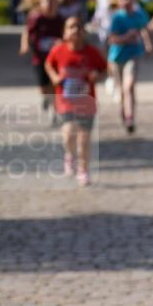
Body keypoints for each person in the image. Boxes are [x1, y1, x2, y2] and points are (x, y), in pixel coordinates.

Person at [44, 16, 107, 186]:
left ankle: (83, 170)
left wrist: (97, 76)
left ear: (84, 32)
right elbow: (48, 64)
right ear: (64, 33)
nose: (75, 30)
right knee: (68, 135)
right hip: (65, 102)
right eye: (71, 27)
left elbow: (104, 70)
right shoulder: (58, 50)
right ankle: (70, 156)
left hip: (86, 102)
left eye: (78, 27)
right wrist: (54, 77)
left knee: (84, 139)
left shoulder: (92, 52)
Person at [107, 0, 152, 134]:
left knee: (129, 86)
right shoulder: (117, 17)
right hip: (117, 56)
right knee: (122, 90)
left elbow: (144, 29)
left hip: (134, 54)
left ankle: (130, 117)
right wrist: (126, 37)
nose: (126, 0)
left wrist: (148, 44)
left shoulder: (139, 15)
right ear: (118, 0)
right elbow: (112, 39)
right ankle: (124, 110)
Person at [21, 0, 64, 119]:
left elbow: (65, 36)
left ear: (57, 3)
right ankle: (45, 97)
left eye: (52, 1)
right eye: (46, 1)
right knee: (43, 87)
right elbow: (27, 32)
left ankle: (53, 111)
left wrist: (62, 43)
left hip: (55, 59)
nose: (49, 4)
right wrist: (25, 45)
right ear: (40, 3)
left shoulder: (60, 19)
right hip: (39, 58)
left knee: (54, 83)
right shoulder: (36, 18)